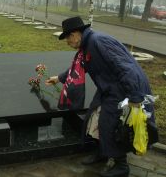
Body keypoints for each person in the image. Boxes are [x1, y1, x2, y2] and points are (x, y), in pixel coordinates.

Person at [45, 16, 155, 177]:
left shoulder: (98, 42)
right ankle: (103, 153)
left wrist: (135, 96)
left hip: (123, 89)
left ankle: (121, 165)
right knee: (94, 118)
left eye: (68, 38)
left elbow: (126, 68)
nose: (68, 42)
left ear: (75, 34)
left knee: (108, 123)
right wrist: (59, 78)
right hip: (108, 88)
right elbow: (78, 68)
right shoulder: (86, 46)